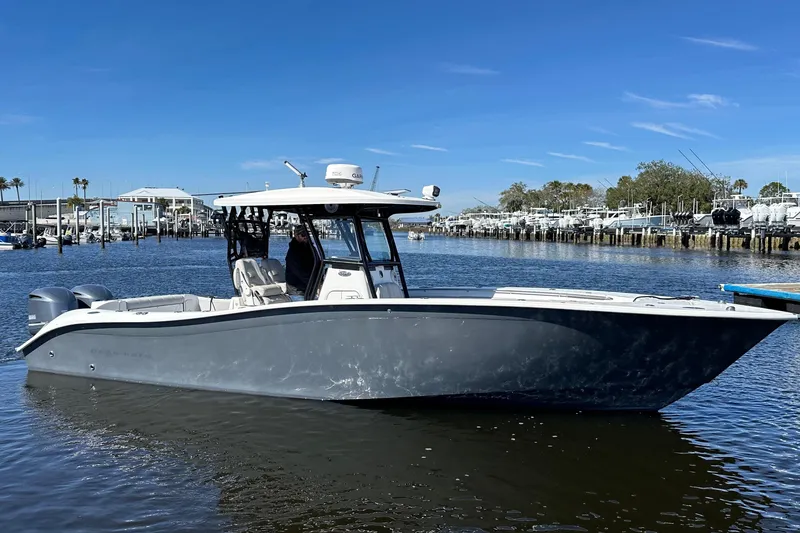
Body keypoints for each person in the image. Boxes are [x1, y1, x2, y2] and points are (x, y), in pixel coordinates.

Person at [285, 226, 315, 295]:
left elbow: (316, 263)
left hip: (307, 285)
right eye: (303, 235)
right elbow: (298, 271)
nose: (306, 237)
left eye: (307, 234)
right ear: (296, 236)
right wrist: (312, 283)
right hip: (296, 287)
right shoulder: (293, 252)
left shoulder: (309, 248)